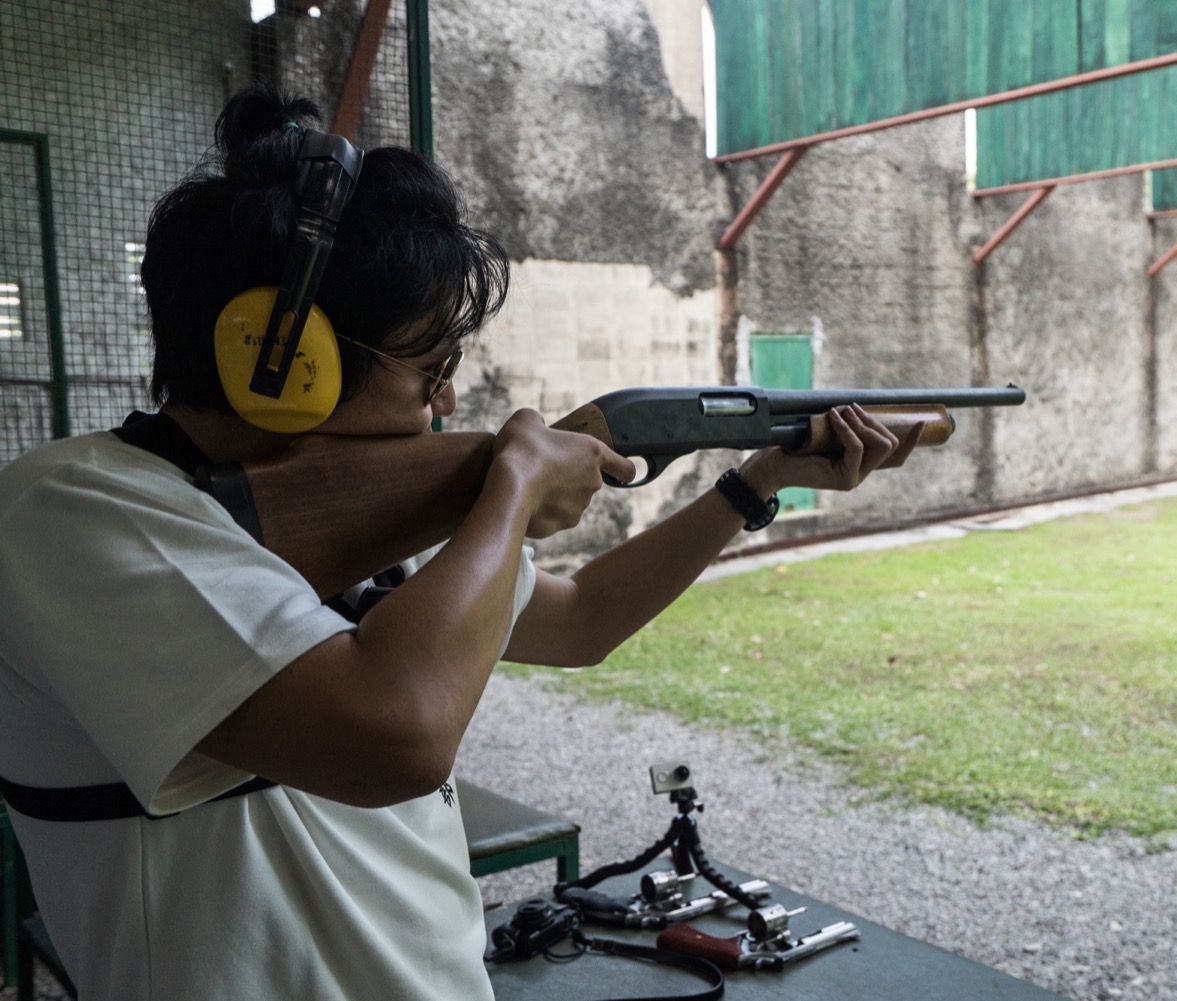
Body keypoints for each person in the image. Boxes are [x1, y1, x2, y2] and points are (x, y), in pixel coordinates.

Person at [0, 82, 916, 999]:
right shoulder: (71, 511)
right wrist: (510, 488)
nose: (444, 404)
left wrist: (758, 484)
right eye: (431, 368)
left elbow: (583, 619)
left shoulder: (340, 530)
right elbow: (395, 733)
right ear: (280, 361)